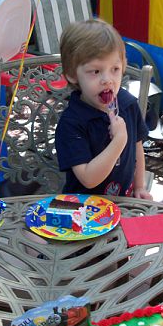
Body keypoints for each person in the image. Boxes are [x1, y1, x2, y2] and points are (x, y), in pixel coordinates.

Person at [55, 19, 152, 200]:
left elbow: (137, 146)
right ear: (72, 75)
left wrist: (140, 186)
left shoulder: (128, 104)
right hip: (82, 206)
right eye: (96, 71)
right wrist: (119, 141)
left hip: (123, 201)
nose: (107, 80)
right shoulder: (71, 123)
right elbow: (88, 179)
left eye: (115, 69)